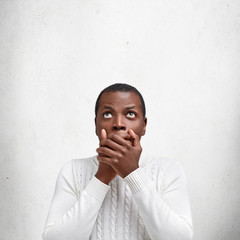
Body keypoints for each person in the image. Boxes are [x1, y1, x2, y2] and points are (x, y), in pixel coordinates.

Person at [42, 83, 193, 240]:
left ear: (144, 126)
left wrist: (133, 173)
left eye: (130, 114)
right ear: (96, 125)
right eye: (107, 114)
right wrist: (101, 178)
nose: (118, 124)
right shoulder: (73, 170)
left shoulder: (168, 170)